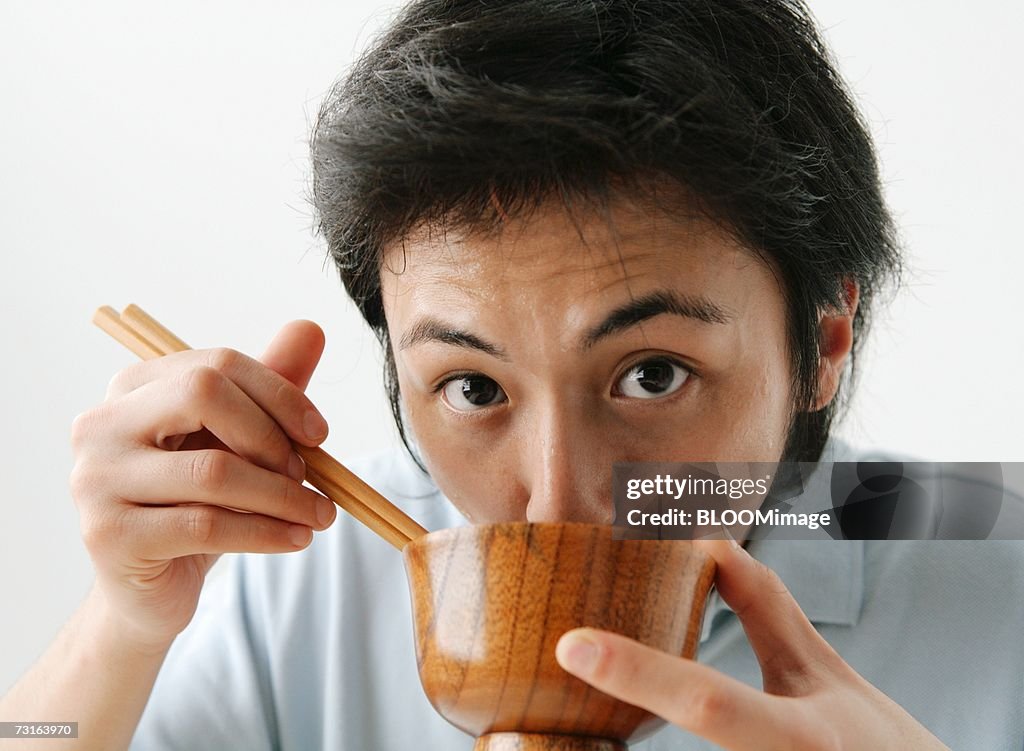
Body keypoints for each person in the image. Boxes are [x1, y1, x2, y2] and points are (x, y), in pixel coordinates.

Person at [2, 0, 1022, 748]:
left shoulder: (994, 545)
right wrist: (120, 627)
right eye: (474, 388)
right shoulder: (304, 571)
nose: (556, 499)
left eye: (653, 373)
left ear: (827, 335)